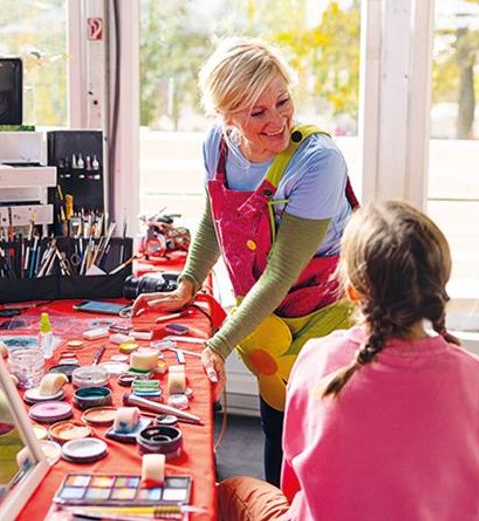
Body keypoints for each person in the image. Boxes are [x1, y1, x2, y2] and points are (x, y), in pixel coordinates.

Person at [133, 37, 358, 485]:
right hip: (268, 314)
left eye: (283, 101)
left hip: (323, 314)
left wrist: (218, 343)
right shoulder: (218, 145)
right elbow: (214, 216)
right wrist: (188, 283)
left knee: (319, 439)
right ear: (226, 116)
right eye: (257, 113)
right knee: (276, 427)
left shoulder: (317, 162)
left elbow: (279, 272)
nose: (277, 121)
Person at [216, 201, 479, 521]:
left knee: (229, 491)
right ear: (437, 286)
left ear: (351, 291)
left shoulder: (319, 359)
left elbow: (295, 477)